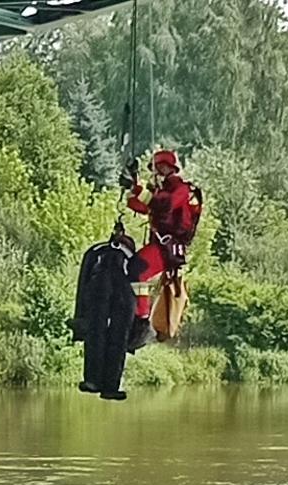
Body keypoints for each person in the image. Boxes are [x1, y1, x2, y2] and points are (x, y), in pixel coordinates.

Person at [122, 149, 204, 347]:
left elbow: (164, 205)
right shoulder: (162, 191)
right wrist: (132, 186)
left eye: (159, 168)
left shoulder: (181, 189)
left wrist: (139, 188)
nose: (157, 173)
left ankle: (141, 321)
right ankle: (135, 316)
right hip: (162, 245)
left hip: (169, 247)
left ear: (168, 168)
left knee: (137, 270)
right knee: (133, 271)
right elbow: (140, 205)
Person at [71, 229, 141, 400]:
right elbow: (141, 291)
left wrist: (80, 318)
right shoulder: (134, 259)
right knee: (119, 339)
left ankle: (92, 380)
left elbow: (82, 284)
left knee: (95, 334)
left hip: (97, 288)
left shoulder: (95, 251)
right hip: (123, 293)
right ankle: (110, 387)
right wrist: (139, 322)